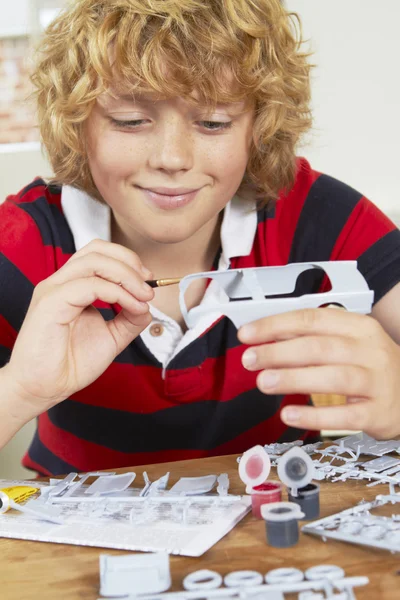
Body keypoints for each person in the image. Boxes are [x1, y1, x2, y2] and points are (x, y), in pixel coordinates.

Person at [1, 0, 400, 477]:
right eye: (130, 121)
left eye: (213, 122)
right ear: (77, 125)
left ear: (259, 128)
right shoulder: (20, 242)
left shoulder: (316, 214)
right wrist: (20, 390)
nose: (172, 158)